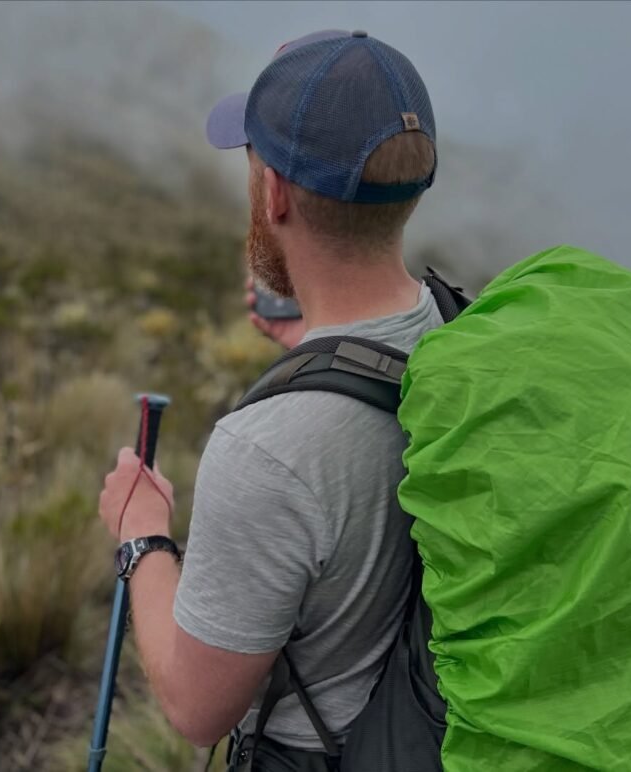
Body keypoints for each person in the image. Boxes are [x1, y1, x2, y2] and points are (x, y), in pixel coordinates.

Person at [98, 28, 441, 768]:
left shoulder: (265, 452)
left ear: (274, 193)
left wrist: (141, 535)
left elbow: (197, 708)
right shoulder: (460, 332)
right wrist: (315, 357)